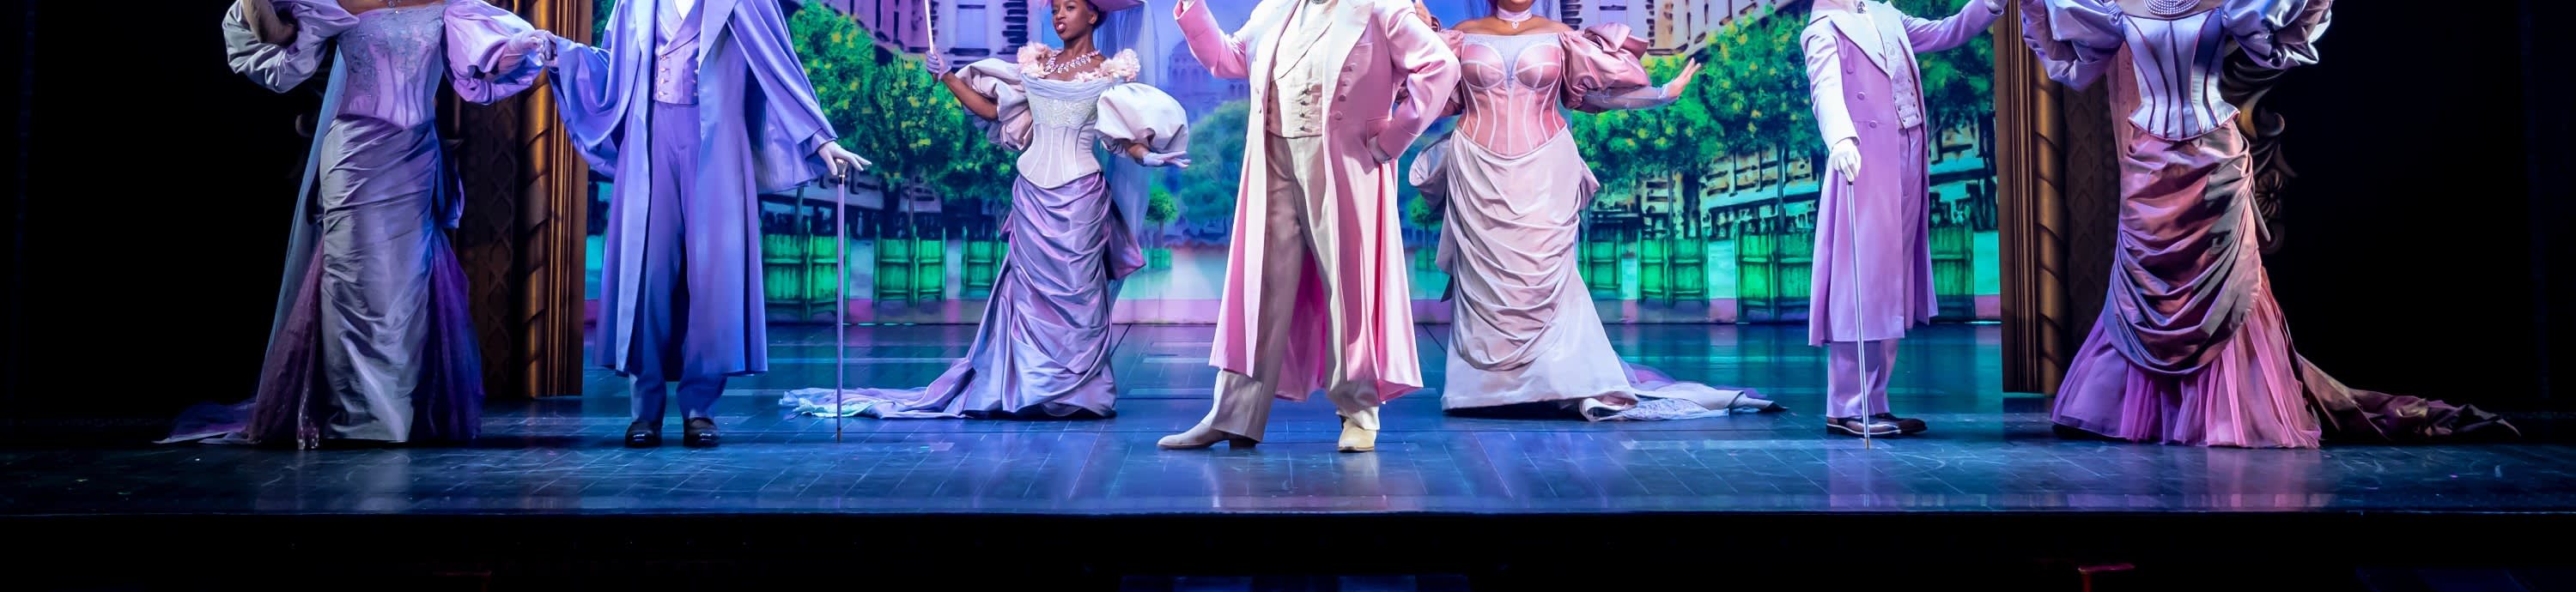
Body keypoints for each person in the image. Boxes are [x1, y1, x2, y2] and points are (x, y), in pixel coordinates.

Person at [2019, 0, 2514, 447]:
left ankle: (2233, 411)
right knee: (2147, 289)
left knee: (2227, 291)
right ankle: (2148, 413)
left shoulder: (2226, 3)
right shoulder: (2118, 7)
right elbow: (2075, 68)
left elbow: (2277, 51)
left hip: (2214, 163)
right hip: (2150, 167)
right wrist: (2034, 11)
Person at [777, 0, 1189, 419]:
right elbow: (993, 110)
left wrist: (1150, 155)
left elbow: (1121, 137)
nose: (1059, 15)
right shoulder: (1037, 66)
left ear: (1094, 15)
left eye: (1070, 7)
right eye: (1055, 9)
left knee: (1079, 294)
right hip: (1032, 195)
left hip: (1081, 197)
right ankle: (1026, 386)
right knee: (1027, 299)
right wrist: (946, 76)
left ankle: (1075, 391)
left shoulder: (1110, 73)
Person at [188, 0, 548, 449]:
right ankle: (351, 415)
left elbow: (489, 59)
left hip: (412, 155)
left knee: (404, 284)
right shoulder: (337, 2)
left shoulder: (449, 6)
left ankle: (396, 415)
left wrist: (524, 45)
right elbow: (276, 46)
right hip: (352, 151)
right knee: (350, 278)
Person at [1407, 0, 1780, 420]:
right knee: (1484, 277)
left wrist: (1662, 94)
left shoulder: (1561, 36)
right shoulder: (1461, 35)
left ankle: (1557, 379)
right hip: (1478, 169)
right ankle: (1483, 390)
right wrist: (1417, 30)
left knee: (1543, 273)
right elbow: (1425, 90)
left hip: (1545, 170)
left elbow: (1597, 95)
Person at [530, 0, 873, 447]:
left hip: (718, 143)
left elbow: (778, 64)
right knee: (647, 274)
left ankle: (700, 410)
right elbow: (612, 69)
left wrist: (820, 139)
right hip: (650, 138)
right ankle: (644, 411)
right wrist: (565, 55)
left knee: (713, 280)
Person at [1156, 0, 1459, 452]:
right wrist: (1192, 6)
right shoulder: (1275, 8)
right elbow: (1227, 58)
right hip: (1273, 157)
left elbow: (1440, 65)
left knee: (1349, 286)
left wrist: (1393, 138)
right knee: (1261, 284)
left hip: (1346, 160)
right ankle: (1234, 414)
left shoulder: (1380, 7)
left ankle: (1359, 413)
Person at [1799, 0, 2001, 437]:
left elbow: (1946, 31)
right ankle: (1847, 405)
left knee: (1891, 283)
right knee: (1860, 282)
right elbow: (1826, 90)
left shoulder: (1887, 14)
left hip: (1907, 151)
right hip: (1864, 160)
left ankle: (1876, 402)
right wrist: (1841, 138)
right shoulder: (1824, 28)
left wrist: (1989, 5)